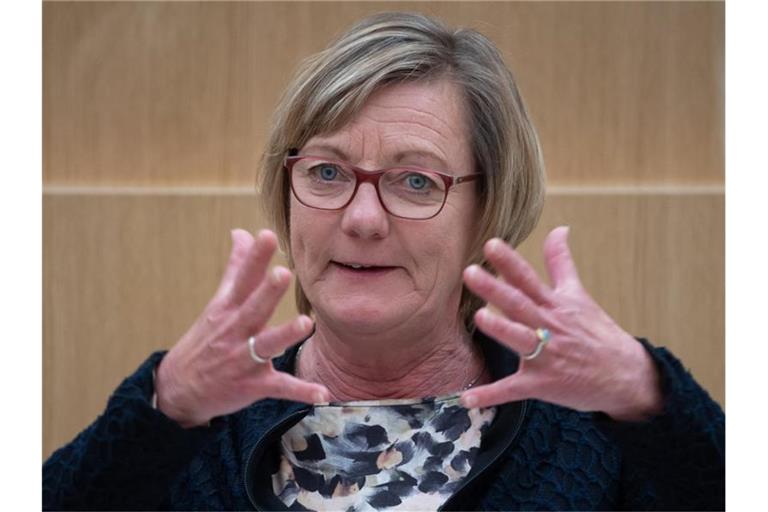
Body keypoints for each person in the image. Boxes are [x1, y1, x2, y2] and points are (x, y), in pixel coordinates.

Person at [43, 11, 724, 511]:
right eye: (328, 173)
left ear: (487, 211)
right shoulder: (192, 427)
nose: (362, 219)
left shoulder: (594, 438)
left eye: (416, 182)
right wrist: (163, 407)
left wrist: (647, 395)